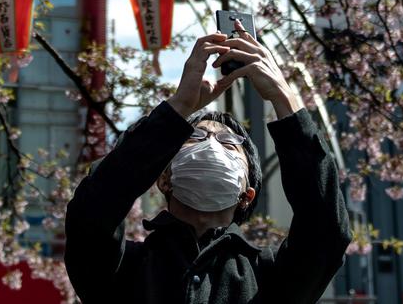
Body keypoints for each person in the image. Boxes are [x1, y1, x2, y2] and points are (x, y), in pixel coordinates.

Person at [65, 22, 352, 304]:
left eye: (229, 145)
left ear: (246, 193)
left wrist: (284, 98)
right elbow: (92, 212)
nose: (211, 145)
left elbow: (326, 232)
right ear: (164, 178)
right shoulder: (122, 268)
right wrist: (178, 107)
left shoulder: (270, 275)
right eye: (196, 137)